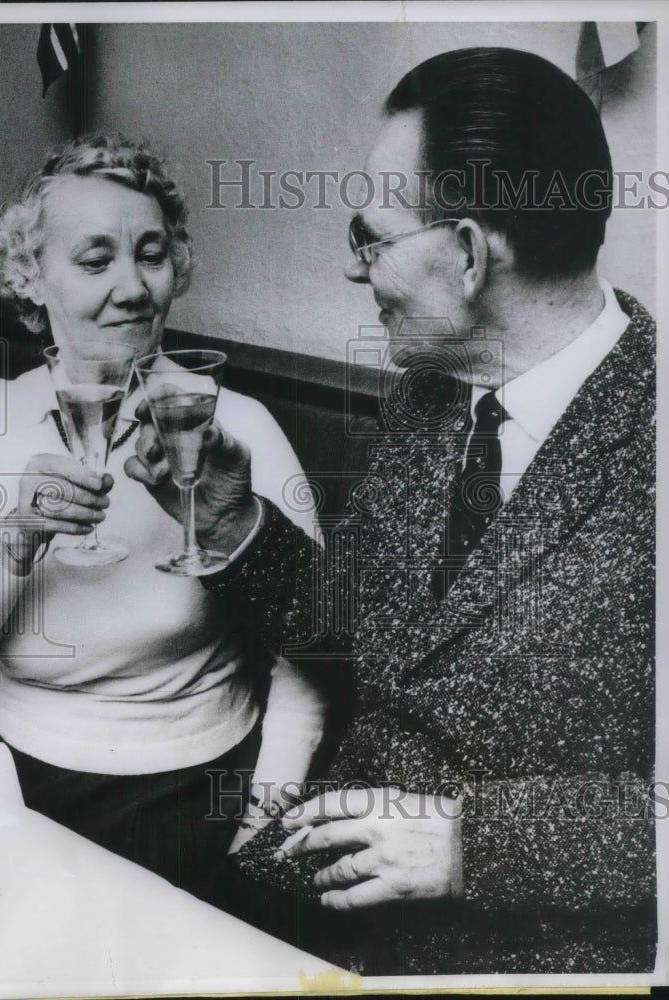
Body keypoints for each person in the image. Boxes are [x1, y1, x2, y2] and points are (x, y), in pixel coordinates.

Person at [126, 48, 656, 972]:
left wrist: (471, 844)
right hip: (328, 903)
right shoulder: (428, 396)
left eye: (371, 238)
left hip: (527, 959)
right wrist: (225, 517)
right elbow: (346, 631)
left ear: (467, 252)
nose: (353, 268)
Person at [0, 132, 326, 894]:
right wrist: (13, 540)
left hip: (194, 796)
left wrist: (258, 832)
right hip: (10, 778)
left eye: (151, 254)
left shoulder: (238, 425)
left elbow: (314, 656)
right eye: (95, 261)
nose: (133, 288)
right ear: (31, 278)